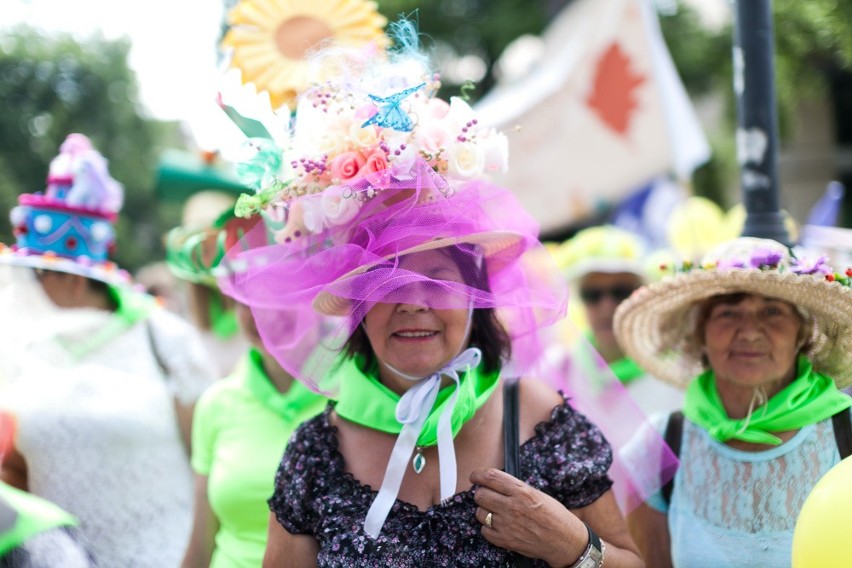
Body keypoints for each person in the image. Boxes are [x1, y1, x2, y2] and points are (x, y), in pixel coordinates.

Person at [219, 24, 644, 568]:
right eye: (386, 279)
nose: (413, 301)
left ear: (474, 294)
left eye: (437, 278)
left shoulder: (537, 419)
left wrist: (572, 546)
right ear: (356, 304)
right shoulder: (315, 452)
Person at [0, 133, 218, 567]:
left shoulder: (162, 337)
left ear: (73, 279)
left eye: (39, 274)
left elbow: (210, 465)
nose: (27, 287)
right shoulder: (19, 346)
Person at [614, 236, 852, 567]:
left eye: (771, 311)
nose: (750, 332)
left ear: (802, 333)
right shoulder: (660, 445)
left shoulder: (846, 429)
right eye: (728, 313)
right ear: (701, 334)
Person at [177, 213, 327, 568]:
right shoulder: (217, 402)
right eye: (247, 297)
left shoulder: (356, 398)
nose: (262, 313)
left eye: (280, 292)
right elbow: (201, 541)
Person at [553, 225, 683, 416]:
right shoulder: (562, 370)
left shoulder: (676, 365)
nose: (607, 306)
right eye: (593, 295)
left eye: (620, 292)